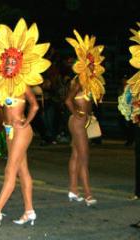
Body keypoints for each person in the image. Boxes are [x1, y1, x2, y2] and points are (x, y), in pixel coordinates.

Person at [0, 18, 51, 230]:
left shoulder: (22, 85)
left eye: (13, 62)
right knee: (22, 171)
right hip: (9, 130)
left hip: (21, 130)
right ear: (3, 63)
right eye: (7, 61)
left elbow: (35, 106)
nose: (10, 64)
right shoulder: (1, 84)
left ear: (18, 64)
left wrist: (24, 122)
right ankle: (29, 211)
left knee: (10, 171)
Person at [65, 30, 105, 206]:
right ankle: (88, 194)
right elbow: (67, 100)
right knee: (84, 157)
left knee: (75, 155)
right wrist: (76, 113)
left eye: (93, 63)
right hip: (78, 122)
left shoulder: (89, 82)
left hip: (84, 121)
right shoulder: (79, 81)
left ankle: (73, 190)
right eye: (90, 64)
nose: (93, 66)